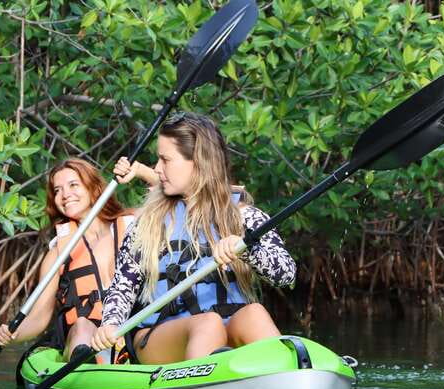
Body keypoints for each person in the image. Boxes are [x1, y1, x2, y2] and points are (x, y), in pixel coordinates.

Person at [91, 112, 296, 364]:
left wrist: (246, 249)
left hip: (229, 324)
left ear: (198, 162)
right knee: (208, 324)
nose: (156, 168)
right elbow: (123, 286)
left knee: (254, 313)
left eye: (165, 159)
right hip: (162, 335)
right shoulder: (147, 224)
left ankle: (288, 379)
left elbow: (287, 274)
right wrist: (110, 323)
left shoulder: (246, 217)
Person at [0, 158, 154, 363]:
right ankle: (87, 367)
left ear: (93, 187)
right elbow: (40, 317)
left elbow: (177, 195)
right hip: (87, 336)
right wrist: (13, 333)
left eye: (73, 185)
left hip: (132, 329)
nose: (64, 195)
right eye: (57, 190)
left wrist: (139, 170)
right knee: (81, 325)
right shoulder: (57, 254)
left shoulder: (134, 224)